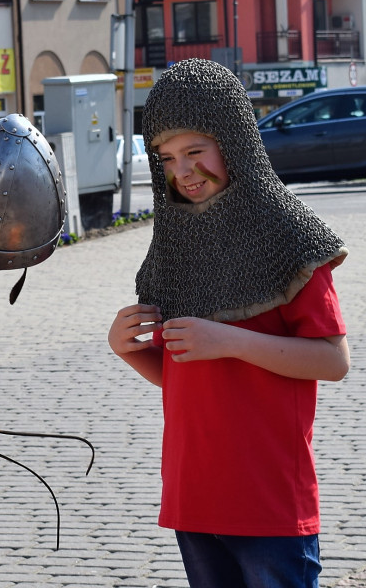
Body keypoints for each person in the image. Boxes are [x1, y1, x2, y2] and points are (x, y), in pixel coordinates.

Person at [108, 59, 350, 588]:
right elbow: (187, 374)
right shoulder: (174, 250)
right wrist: (131, 350)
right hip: (193, 494)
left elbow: (332, 360)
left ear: (234, 140)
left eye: (195, 151)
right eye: (167, 158)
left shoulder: (290, 238)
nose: (184, 170)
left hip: (268, 500)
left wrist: (231, 340)